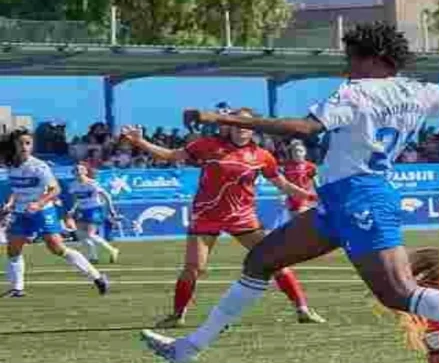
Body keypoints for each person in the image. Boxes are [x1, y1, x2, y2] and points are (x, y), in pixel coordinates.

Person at [140, 22, 439, 363]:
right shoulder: (422, 92)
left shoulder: (355, 94)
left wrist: (226, 119)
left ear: (373, 58)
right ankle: (189, 348)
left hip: (361, 197)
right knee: (262, 260)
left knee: (401, 294)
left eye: (351, 59)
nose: (347, 68)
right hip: (342, 201)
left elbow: (303, 128)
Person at [121, 108, 325, 327]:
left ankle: (302, 309)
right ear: (229, 125)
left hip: (243, 218)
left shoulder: (262, 156)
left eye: (246, 126)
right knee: (193, 268)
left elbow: (282, 185)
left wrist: (313, 196)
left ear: (254, 129)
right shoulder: (207, 145)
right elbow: (172, 156)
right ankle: (177, 315)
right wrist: (140, 142)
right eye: (237, 124)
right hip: (206, 216)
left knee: (275, 261)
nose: (241, 129)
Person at [0, 129, 109, 298]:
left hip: (42, 211)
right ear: (14, 145)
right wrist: (10, 203)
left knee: (57, 248)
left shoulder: (39, 166)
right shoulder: (11, 165)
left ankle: (97, 276)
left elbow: (55, 189)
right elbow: (18, 189)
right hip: (21, 212)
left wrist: (39, 203)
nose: (24, 146)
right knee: (13, 249)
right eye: (20, 143)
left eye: (28, 143)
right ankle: (17, 288)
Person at [67, 163, 120, 263]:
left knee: (90, 234)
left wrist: (111, 209)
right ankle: (93, 257)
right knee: (81, 234)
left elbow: (106, 195)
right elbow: (75, 199)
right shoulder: (73, 185)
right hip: (82, 210)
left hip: (94, 209)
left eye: (80, 170)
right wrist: (73, 209)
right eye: (76, 170)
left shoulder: (92, 183)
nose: (78, 172)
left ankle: (112, 250)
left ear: (85, 172)